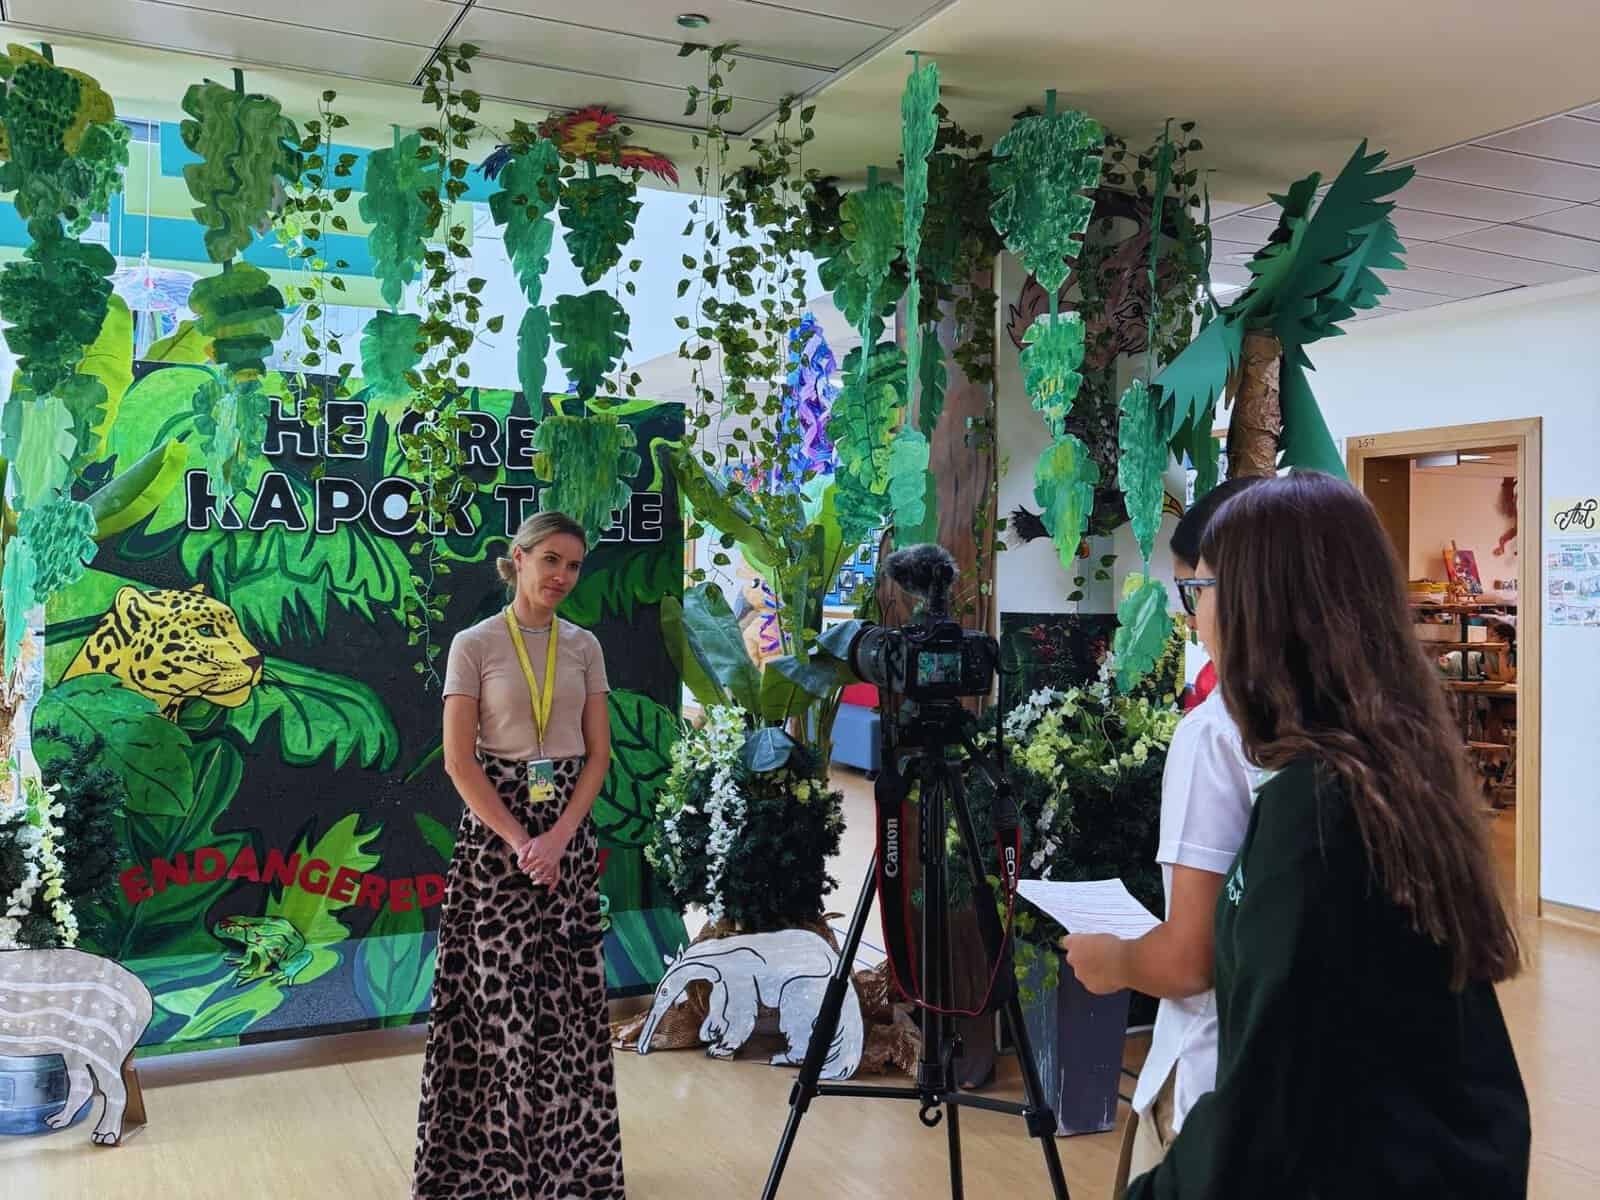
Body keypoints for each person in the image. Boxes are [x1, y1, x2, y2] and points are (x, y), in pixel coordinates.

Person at [1124, 472, 1528, 1199]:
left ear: (1263, 610)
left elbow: (1264, 1108)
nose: (1196, 618)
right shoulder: (1394, 768)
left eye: (1204, 590)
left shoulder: (1315, 815)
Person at [1060, 477, 1263, 1195]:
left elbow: (1188, 963)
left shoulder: (1215, 733)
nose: (1189, 619)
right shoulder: (1381, 726)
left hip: (1214, 1084)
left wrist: (1109, 960)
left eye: (1193, 592)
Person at [413, 511, 625, 1200]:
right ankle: (488, 1172)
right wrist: (520, 840)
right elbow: (457, 761)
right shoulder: (473, 645)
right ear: (519, 559)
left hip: (565, 837)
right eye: (552, 561)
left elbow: (598, 756)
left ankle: (569, 1170)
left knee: (568, 1011)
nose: (563, 576)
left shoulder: (585, 646)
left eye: (574, 565)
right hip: (495, 844)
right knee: (491, 1008)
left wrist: (561, 836)